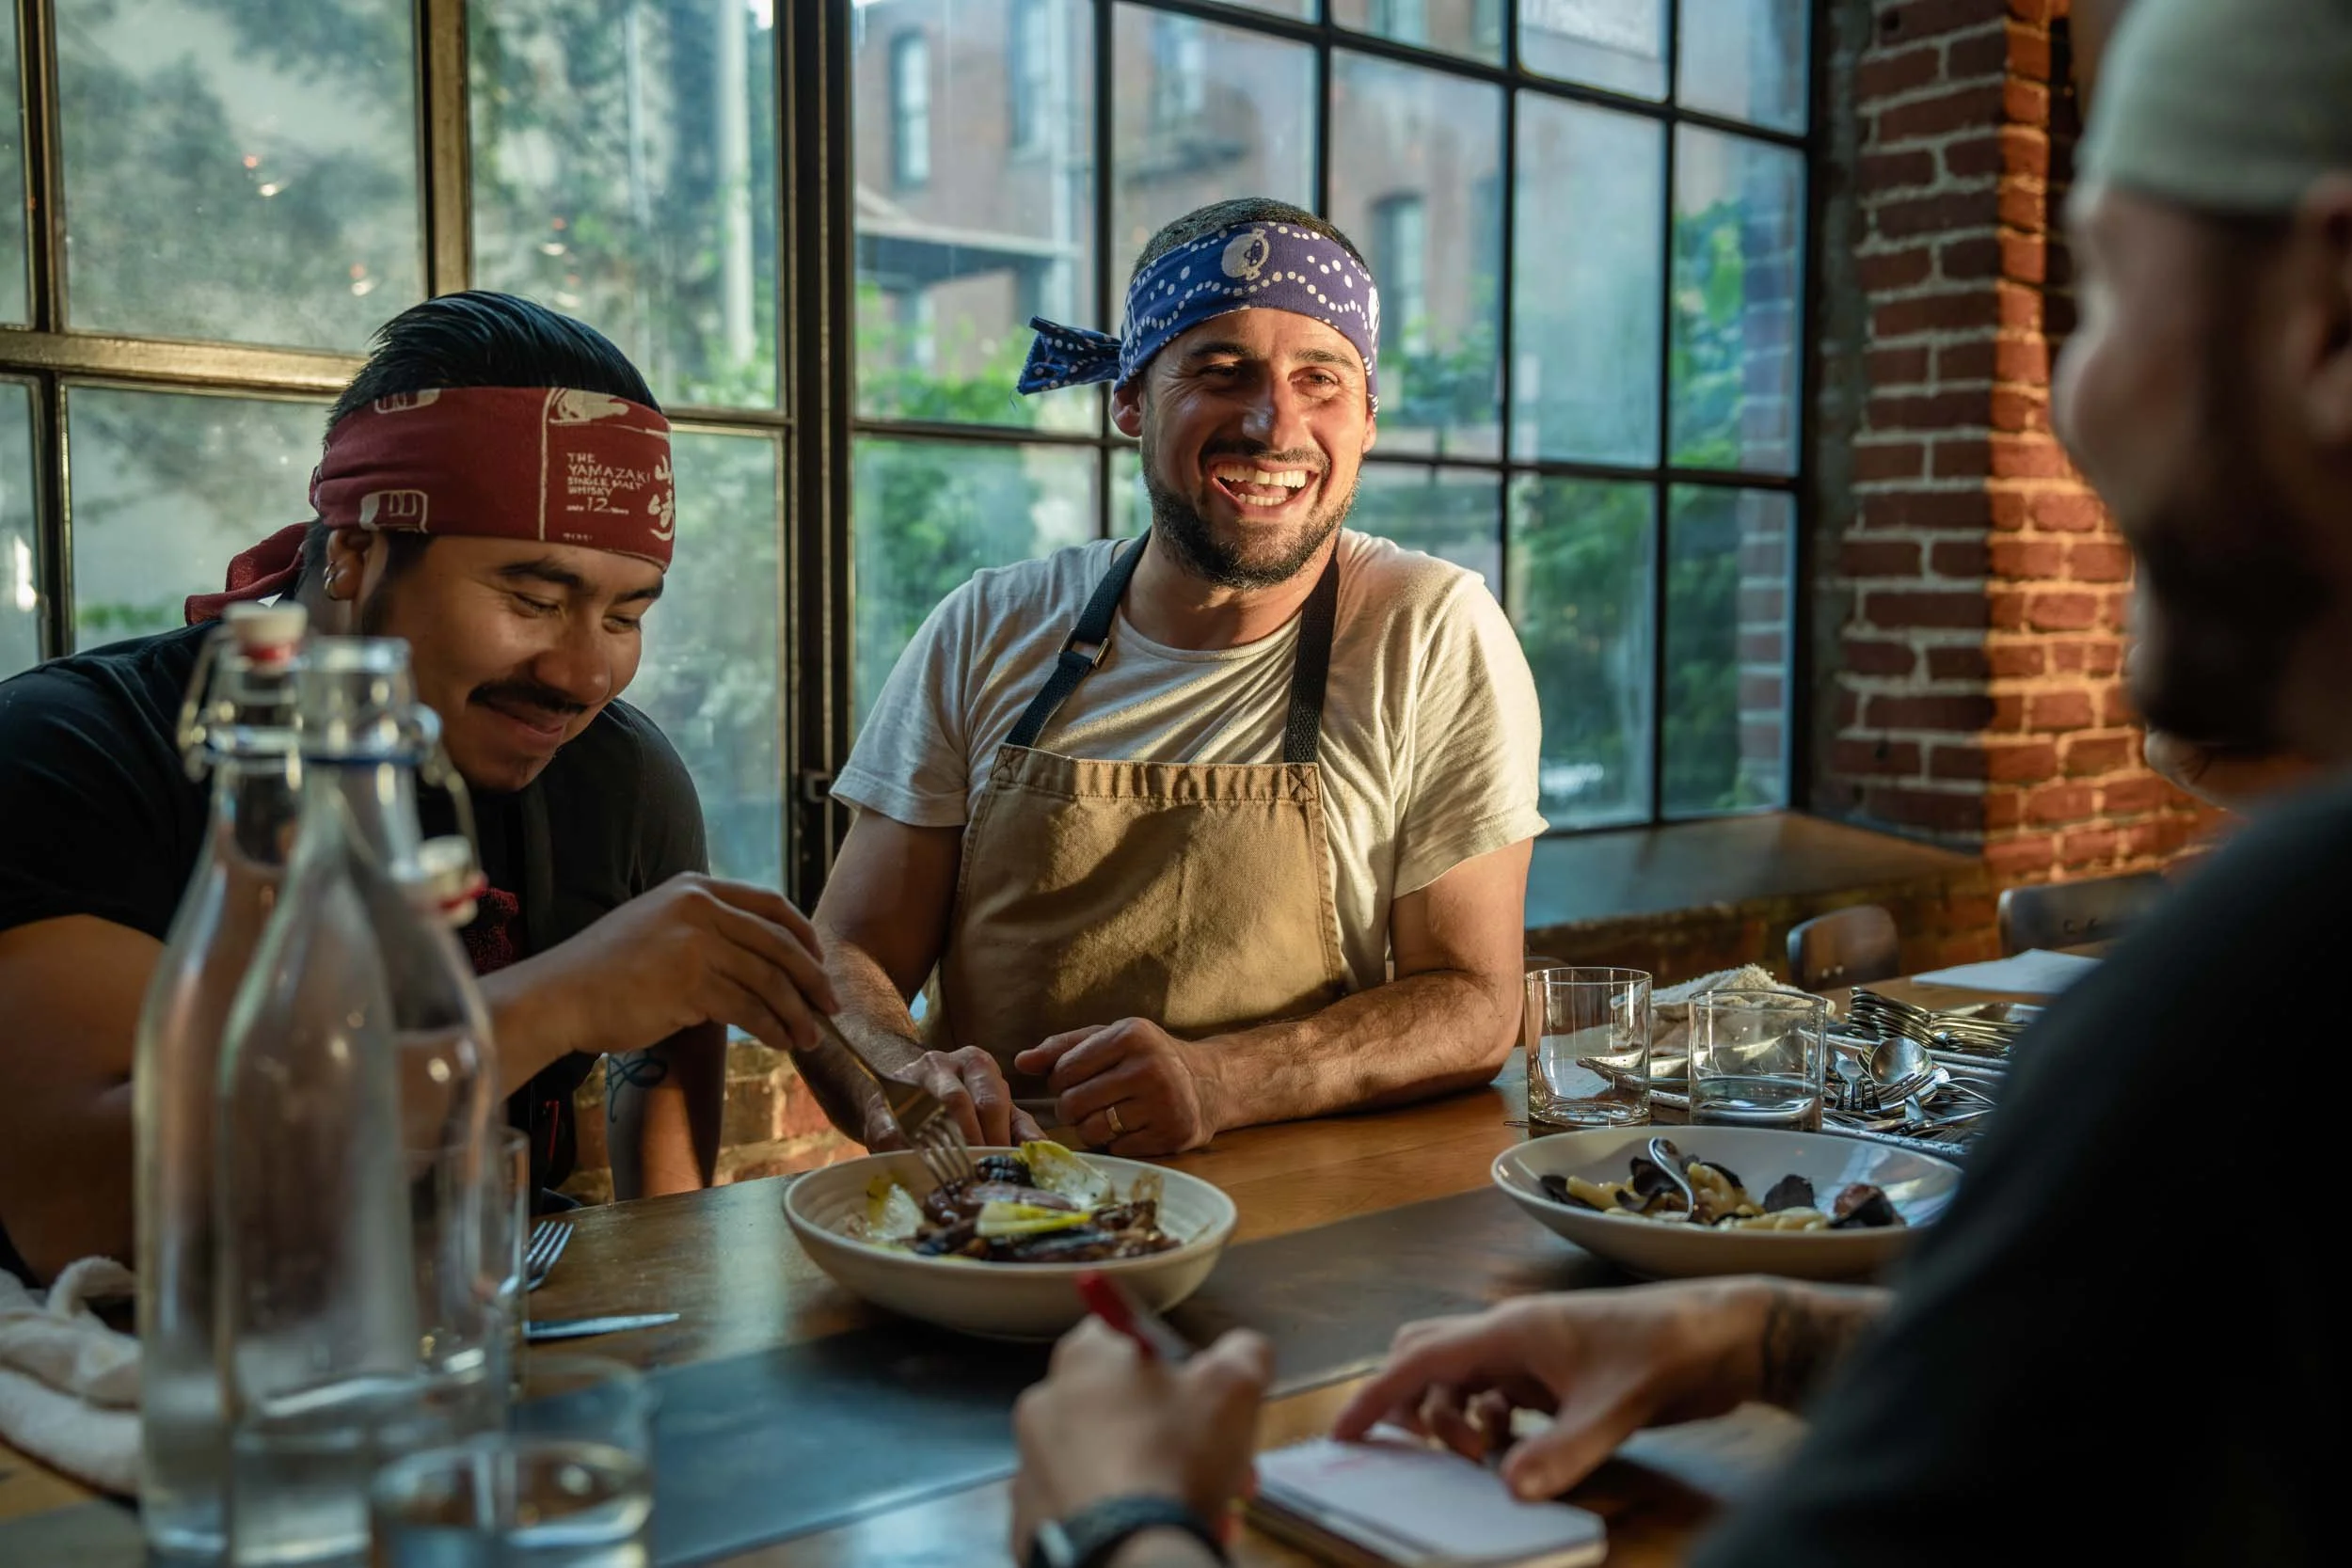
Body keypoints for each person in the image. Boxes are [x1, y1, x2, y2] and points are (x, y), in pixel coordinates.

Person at [1005, 2, 2335, 1563]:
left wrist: (1124, 1514)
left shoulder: (2272, 981)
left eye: (2102, 295)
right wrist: (1764, 1336)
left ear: (2329, 325)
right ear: (1134, 405)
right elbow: (2142, 1393)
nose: (2071, 401)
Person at [0, 292, 835, 1285]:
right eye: (532, 598)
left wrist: (669, 1295)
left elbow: (666, 1064)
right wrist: (555, 1002)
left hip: (482, 1339)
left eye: (624, 614)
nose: (583, 674)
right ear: (352, 549)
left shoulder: (614, 774)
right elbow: (83, 1209)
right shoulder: (79, 751)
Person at [802, 198, 1548, 1158]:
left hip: (1309, 1229)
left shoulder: (1428, 629)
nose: (1273, 423)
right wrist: (904, 1079)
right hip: (1006, 1215)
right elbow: (844, 951)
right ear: (1128, 400)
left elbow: (1476, 1002)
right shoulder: (986, 626)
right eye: (1219, 370)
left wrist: (1221, 1078)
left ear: (1366, 418)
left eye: (1319, 379)